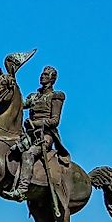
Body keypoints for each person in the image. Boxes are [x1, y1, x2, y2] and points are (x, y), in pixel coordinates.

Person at [7, 65, 68, 200]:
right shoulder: (34, 97)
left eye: (46, 75)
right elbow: (18, 105)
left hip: (45, 136)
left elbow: (54, 120)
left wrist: (35, 123)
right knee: (9, 150)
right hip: (28, 134)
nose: (42, 76)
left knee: (28, 154)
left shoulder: (56, 96)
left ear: (52, 79)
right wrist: (11, 84)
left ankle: (22, 189)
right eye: (42, 74)